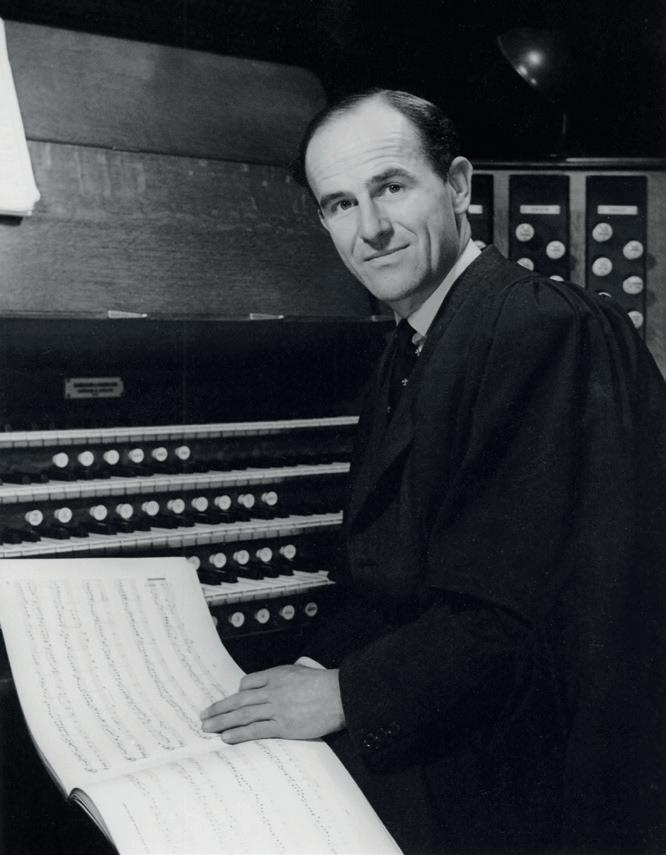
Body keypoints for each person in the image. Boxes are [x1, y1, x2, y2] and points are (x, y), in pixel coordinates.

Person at [201, 89, 666, 853]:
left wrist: (340, 692)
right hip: (453, 704)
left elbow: (510, 616)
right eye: (340, 204)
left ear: (457, 185)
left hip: (524, 767)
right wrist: (306, 666)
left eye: (390, 187)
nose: (370, 229)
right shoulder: (417, 338)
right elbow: (391, 574)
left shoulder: (539, 325)